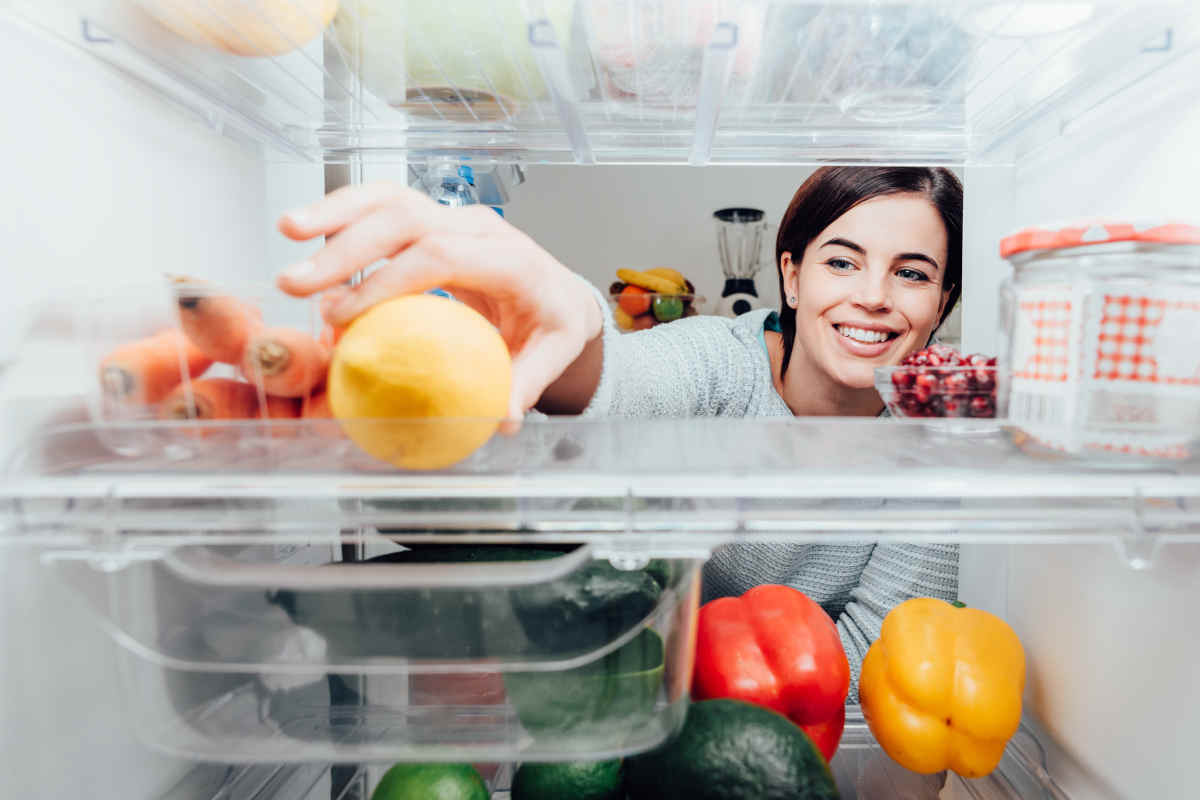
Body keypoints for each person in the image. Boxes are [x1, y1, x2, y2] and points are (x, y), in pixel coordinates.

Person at [276, 166, 962, 699]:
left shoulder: (935, 445)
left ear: (942, 305)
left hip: (788, 722)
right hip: (634, 682)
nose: (874, 295)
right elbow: (625, 383)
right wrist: (570, 317)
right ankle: (293, 617)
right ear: (790, 275)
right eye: (841, 261)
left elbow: (888, 655)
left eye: (911, 273)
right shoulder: (721, 358)